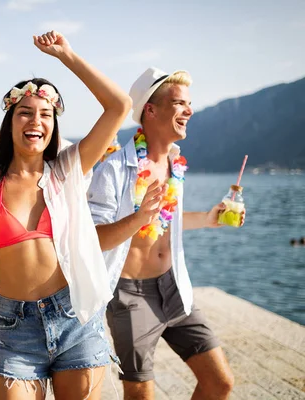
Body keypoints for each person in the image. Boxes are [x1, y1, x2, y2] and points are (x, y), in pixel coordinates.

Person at [0, 31, 132, 399]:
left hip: (74, 318)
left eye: (45, 114)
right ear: (10, 121)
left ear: (54, 124)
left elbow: (119, 105)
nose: (36, 120)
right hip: (15, 327)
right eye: (25, 112)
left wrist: (67, 56)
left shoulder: (68, 170)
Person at [88, 67, 241, 399]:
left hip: (173, 287)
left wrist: (209, 218)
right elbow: (94, 238)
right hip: (130, 296)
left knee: (220, 382)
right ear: (151, 109)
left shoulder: (175, 164)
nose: (189, 111)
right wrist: (138, 217)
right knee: (141, 394)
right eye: (179, 103)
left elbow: (167, 218)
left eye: (189, 103)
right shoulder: (113, 169)